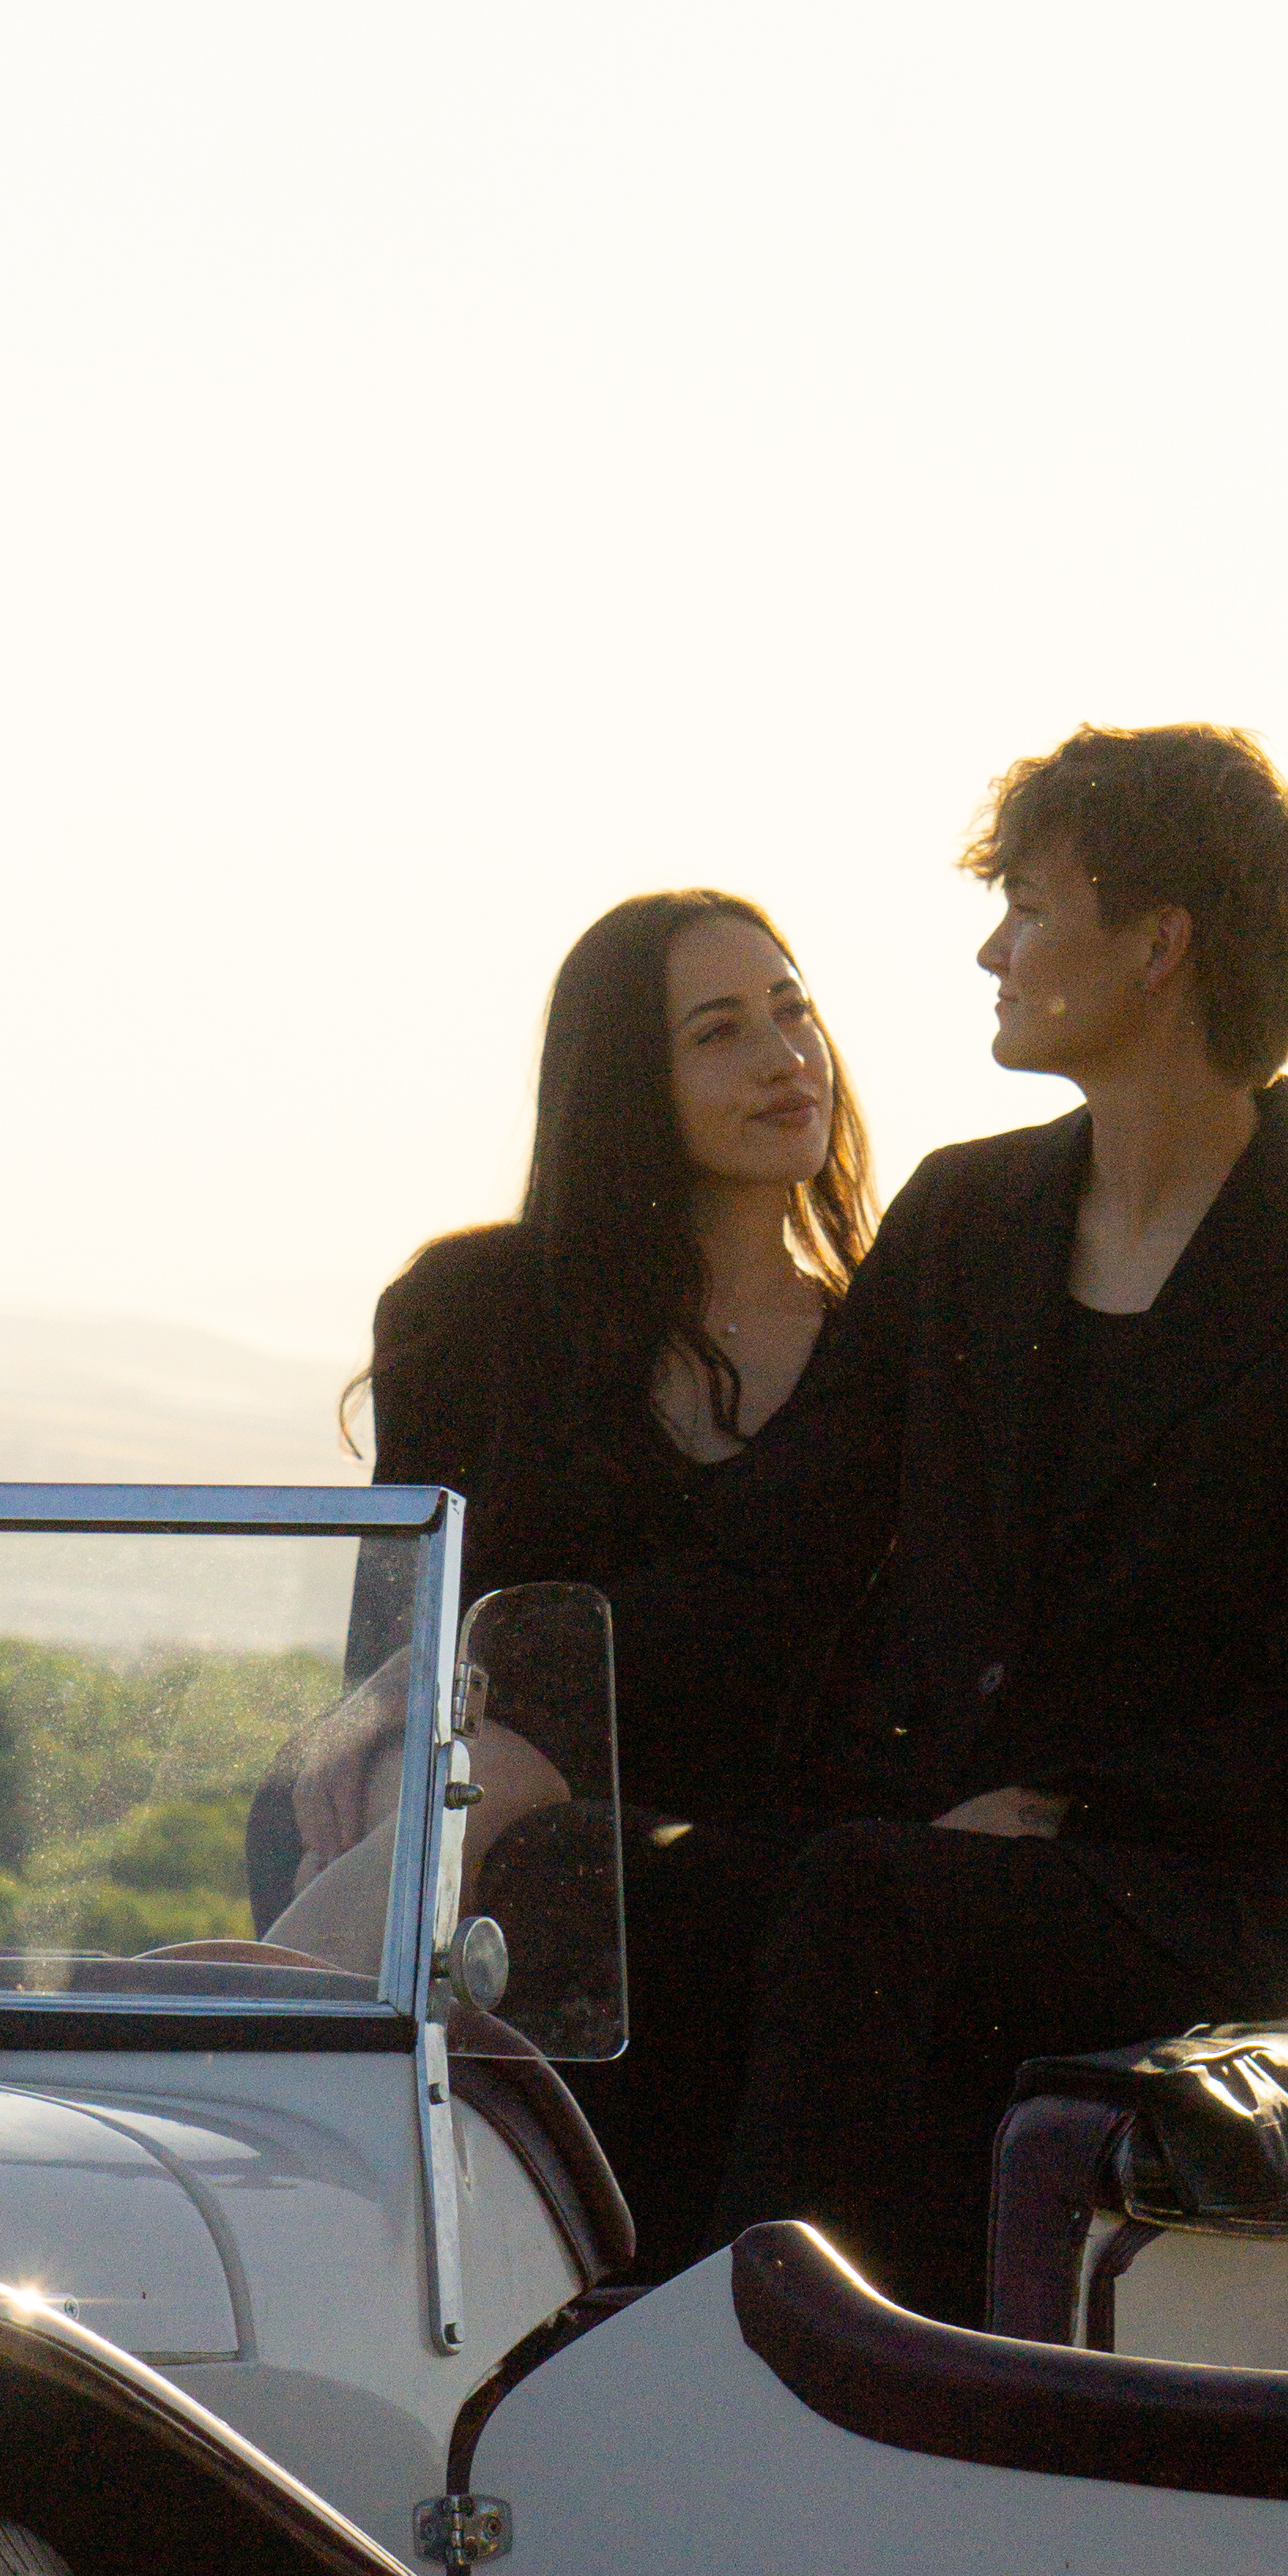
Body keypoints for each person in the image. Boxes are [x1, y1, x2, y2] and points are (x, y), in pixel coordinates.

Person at [675, 721, 1288, 2325]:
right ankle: (557, 2404)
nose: (991, 946)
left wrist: (1066, 1807)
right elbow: (779, 1542)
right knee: (638, 1907)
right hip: (918, 1849)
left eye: (1029, 906)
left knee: (860, 1902)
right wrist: (511, 1699)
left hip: (1171, 1908)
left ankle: (761, 2380)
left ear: (1158, 946)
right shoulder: (963, 1215)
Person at [269, 888, 876, 2258]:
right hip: (480, 1762)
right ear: (627, 1085)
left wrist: (513, 1738)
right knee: (350, 1793)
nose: (785, 1058)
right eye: (719, 1034)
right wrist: (388, 1716)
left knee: (489, 1817)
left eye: (795, 1012)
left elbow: (785, 1626)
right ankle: (291, 2195)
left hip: (744, 1807)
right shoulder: (476, 1309)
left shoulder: (883, 1337)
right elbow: (409, 1608)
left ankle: (248, 2072)